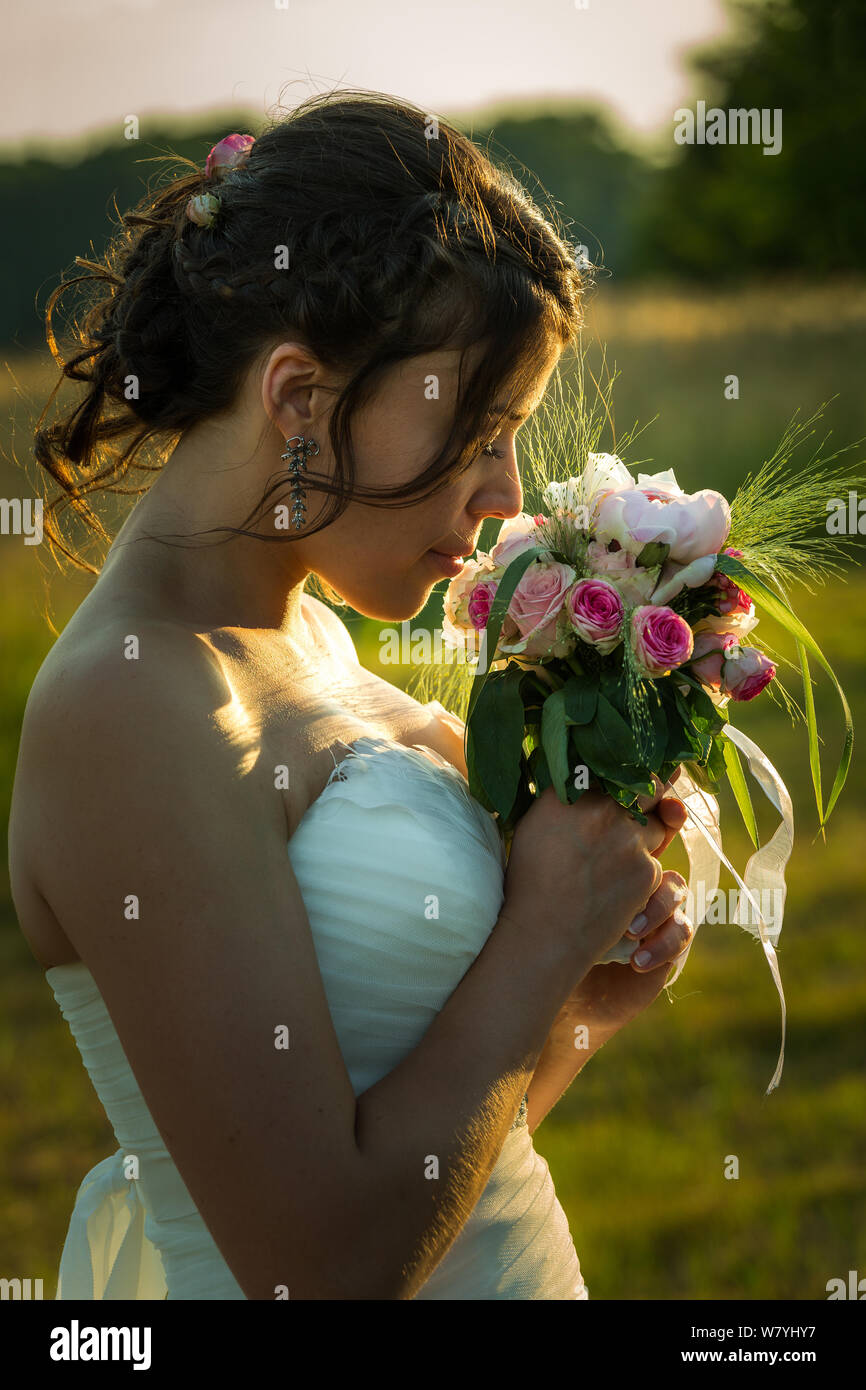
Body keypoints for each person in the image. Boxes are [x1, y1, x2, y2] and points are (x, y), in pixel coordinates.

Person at [8, 89, 692, 1300]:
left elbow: (451, 1160)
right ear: (299, 400)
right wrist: (536, 934)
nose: (503, 492)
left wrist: (585, 996)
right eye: (479, 428)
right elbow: (320, 1266)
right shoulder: (133, 707)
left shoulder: (307, 633)